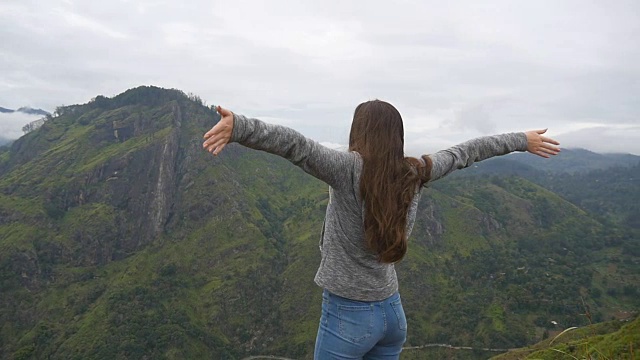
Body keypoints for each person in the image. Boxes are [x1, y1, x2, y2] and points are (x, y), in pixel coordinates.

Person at [202, 100, 560, 360]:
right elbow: (466, 152)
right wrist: (520, 140)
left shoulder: (346, 169)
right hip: (392, 315)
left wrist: (242, 128)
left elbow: (296, 146)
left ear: (359, 131)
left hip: (348, 316)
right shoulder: (417, 171)